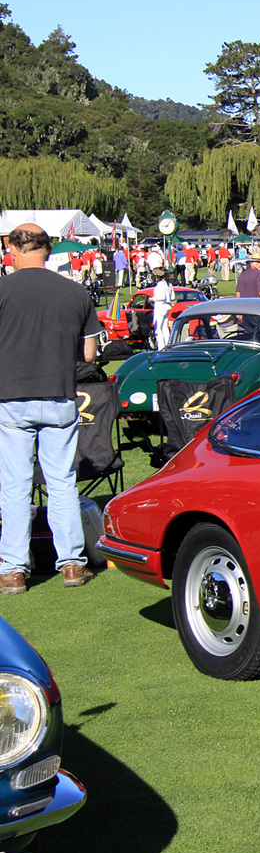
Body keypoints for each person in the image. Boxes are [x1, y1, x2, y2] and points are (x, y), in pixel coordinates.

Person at [0, 224, 105, 593]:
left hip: (11, 396)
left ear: (14, 249)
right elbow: (89, 354)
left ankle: (13, 569)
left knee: (14, 486)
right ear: (48, 249)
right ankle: (72, 564)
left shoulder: (3, 289)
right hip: (59, 393)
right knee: (61, 483)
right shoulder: (75, 292)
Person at [148, 263, 175, 348]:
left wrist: (152, 299)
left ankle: (161, 346)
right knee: (164, 327)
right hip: (167, 306)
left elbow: (162, 296)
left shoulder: (160, 284)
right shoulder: (169, 284)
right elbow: (173, 296)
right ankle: (167, 345)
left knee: (158, 327)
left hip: (160, 306)